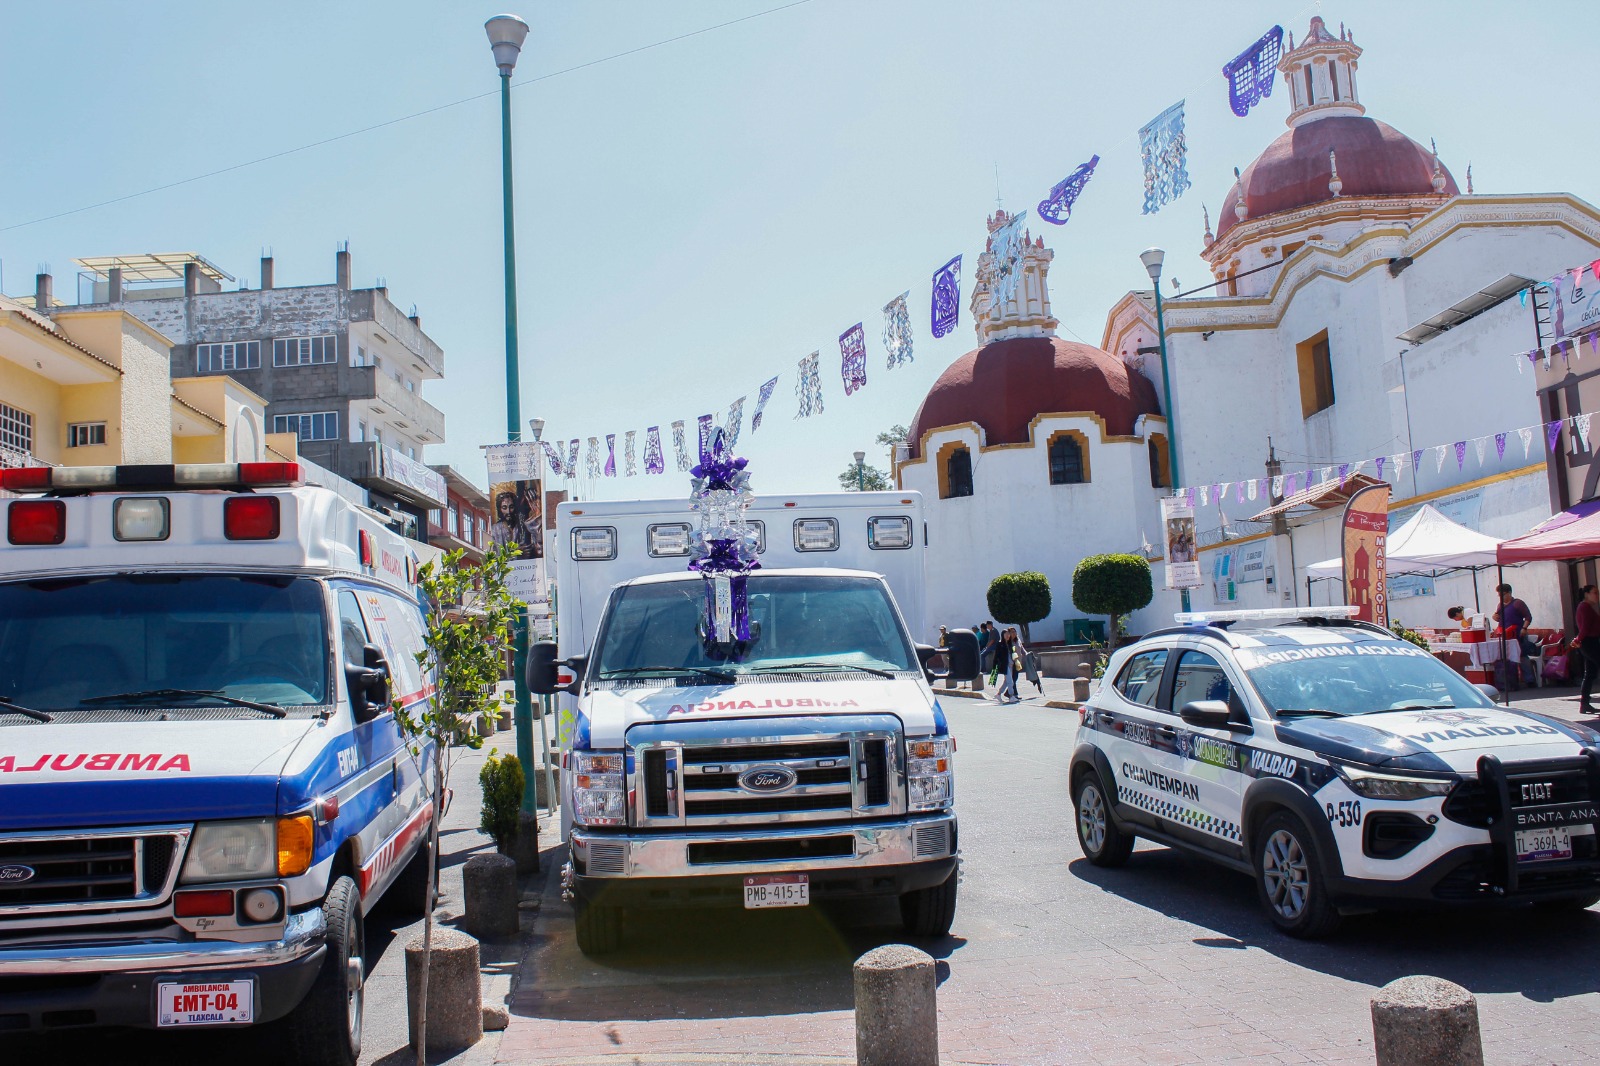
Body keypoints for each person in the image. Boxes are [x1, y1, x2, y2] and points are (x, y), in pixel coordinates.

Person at [1493, 583, 1537, 685]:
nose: (1501, 597)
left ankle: (1529, 680)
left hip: (1518, 633)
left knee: (1522, 655)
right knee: (1507, 656)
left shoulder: (1518, 603)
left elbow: (1528, 617)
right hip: (1504, 635)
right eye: (1499, 595)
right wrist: (1494, 616)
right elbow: (1497, 616)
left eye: (1502, 595)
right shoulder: (1500, 605)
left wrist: (1524, 628)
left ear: (1509, 593)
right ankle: (1512, 681)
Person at [1575, 585, 1600, 715]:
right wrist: (1578, 639)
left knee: (1590, 673)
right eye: (1594, 593)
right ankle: (1584, 703)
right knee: (1590, 673)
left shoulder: (1587, 607)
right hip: (1589, 642)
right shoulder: (1584, 607)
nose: (1597, 596)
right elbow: (1584, 627)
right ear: (1587, 594)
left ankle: (1585, 704)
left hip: (1591, 641)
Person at [995, 629, 1022, 704]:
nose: (1007, 635)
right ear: (1002, 635)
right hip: (1005, 665)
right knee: (1010, 681)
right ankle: (1011, 696)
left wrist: (1015, 661)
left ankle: (998, 694)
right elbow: (997, 656)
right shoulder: (1000, 644)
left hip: (1011, 664)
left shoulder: (1010, 644)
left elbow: (1013, 654)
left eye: (1008, 634)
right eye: (1006, 634)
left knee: (1006, 682)